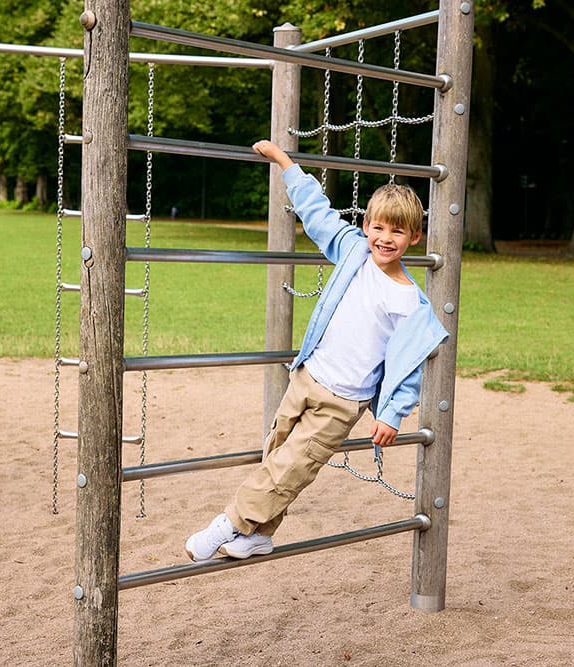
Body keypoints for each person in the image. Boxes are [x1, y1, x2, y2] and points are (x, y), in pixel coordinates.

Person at [185, 139, 449, 561]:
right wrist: (285, 163)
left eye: (398, 231)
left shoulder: (410, 304)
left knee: (292, 467)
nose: (385, 238)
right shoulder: (352, 252)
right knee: (277, 454)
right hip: (306, 378)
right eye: (379, 227)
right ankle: (259, 535)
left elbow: (409, 366)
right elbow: (316, 213)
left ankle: (227, 524)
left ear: (414, 237)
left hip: (343, 402)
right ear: (366, 225)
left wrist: (392, 414)